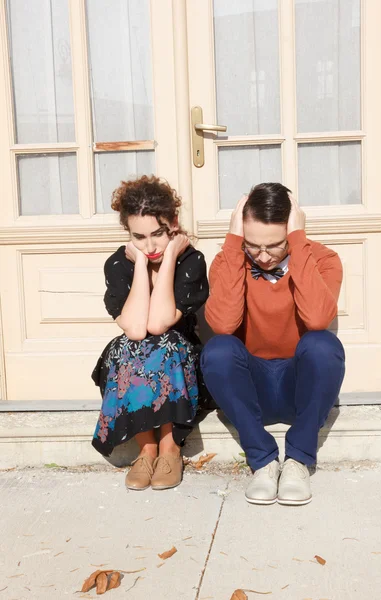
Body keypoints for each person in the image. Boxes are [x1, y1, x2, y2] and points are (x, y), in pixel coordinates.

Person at [201, 183, 345, 506]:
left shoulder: (324, 260)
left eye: (275, 246)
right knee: (217, 350)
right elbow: (223, 324)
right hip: (253, 389)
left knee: (324, 346)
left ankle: (297, 460)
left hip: (299, 388)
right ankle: (263, 459)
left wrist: (297, 244)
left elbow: (318, 318)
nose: (263, 256)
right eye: (253, 246)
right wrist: (234, 245)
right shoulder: (229, 261)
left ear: (293, 230)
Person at [92, 175, 209, 491]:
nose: (150, 245)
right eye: (139, 237)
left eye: (158, 234)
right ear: (128, 235)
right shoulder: (120, 264)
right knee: (126, 345)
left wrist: (169, 257)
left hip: (182, 361)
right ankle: (147, 448)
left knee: (165, 342)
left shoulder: (190, 260)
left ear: (173, 223)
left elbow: (159, 323)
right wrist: (141, 265)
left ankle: (170, 447)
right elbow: (134, 326)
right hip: (137, 355)